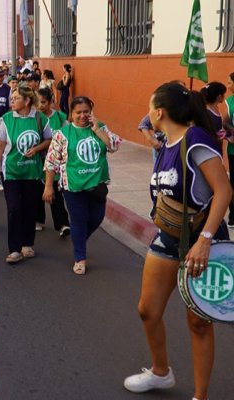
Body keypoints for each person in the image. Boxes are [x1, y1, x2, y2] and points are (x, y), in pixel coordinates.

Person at [123, 83, 231, 400]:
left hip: (203, 241)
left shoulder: (195, 138)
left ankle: (201, 395)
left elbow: (224, 190)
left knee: (198, 322)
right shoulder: (165, 145)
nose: (147, 113)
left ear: (159, 111)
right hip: (168, 238)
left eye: (149, 106)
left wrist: (206, 240)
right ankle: (161, 372)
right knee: (147, 310)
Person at [43, 96, 121, 274]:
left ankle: (79, 240)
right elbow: (51, 161)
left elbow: (114, 146)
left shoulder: (99, 127)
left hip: (97, 185)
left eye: (86, 111)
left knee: (96, 218)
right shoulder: (62, 134)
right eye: (79, 112)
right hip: (73, 186)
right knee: (78, 220)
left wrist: (98, 130)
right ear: (71, 113)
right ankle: (80, 258)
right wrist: (48, 186)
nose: (83, 115)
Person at [0, 86, 52, 264]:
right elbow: (0, 145)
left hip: (32, 172)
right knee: (14, 209)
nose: (12, 100)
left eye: (16, 98)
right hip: (12, 172)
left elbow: (49, 140)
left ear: (26, 101)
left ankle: (27, 244)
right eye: (13, 97)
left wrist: (37, 148)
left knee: (30, 209)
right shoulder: (7, 119)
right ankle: (14, 249)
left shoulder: (39, 118)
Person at [36, 87, 70, 237]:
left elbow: (69, 136)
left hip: (56, 163)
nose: (40, 105)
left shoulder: (61, 117)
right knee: (38, 192)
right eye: (37, 102)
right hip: (38, 160)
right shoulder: (34, 117)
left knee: (56, 194)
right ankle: (38, 220)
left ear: (50, 102)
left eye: (43, 102)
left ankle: (62, 224)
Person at [222, 72, 234, 227]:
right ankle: (233, 215)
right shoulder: (229, 101)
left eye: (230, 82)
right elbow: (225, 121)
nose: (228, 85)